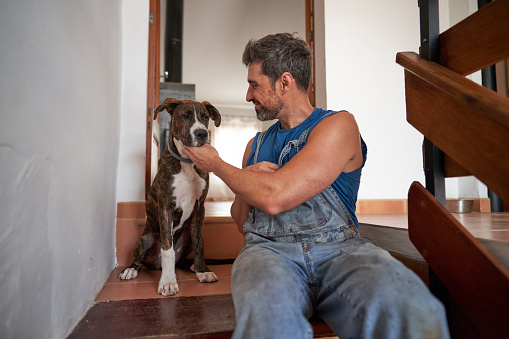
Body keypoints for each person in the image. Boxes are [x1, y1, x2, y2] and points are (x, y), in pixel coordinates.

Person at [183, 33, 449, 339]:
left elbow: (275, 196)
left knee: (413, 310)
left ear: (284, 82)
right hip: (267, 254)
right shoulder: (253, 147)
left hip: (341, 251)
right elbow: (244, 223)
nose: (247, 95)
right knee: (269, 321)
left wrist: (216, 165)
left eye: (254, 84)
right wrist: (247, 183)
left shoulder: (338, 125)